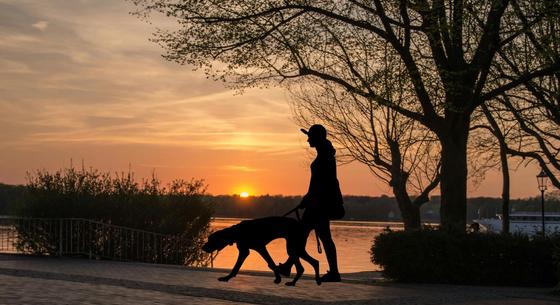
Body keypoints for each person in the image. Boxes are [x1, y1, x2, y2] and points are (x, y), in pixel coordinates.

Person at [280, 124, 344, 282]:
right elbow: (318, 183)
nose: (308, 140)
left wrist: (307, 199)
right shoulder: (325, 154)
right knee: (308, 235)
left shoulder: (325, 157)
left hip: (319, 206)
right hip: (317, 204)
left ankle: (333, 272)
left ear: (317, 138)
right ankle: (289, 266)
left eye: (310, 137)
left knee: (306, 235)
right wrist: (306, 199)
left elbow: (321, 184)